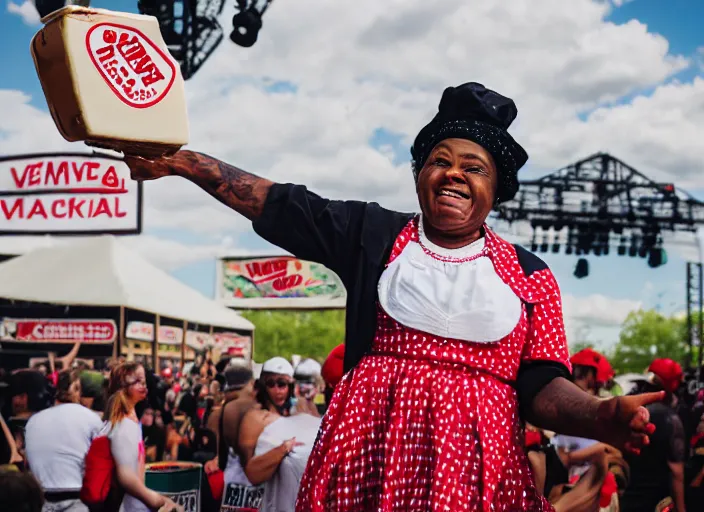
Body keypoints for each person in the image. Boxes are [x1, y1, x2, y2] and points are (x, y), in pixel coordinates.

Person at [127, 82, 662, 511]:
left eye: (473, 167)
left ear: (495, 189)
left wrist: (596, 413)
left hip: (477, 478)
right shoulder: (373, 234)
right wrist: (184, 162)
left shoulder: (530, 274)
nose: (453, 172)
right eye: (439, 160)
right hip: (367, 466)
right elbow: (281, 204)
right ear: (420, 175)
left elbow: (542, 385)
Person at [104, 362, 181, 512]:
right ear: (123, 387)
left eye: (144, 381)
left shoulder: (132, 421)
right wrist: (155, 500)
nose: (144, 385)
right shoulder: (123, 424)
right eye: (137, 381)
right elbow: (125, 475)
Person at [24, 370, 102, 512]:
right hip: (78, 498)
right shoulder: (91, 418)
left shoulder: (33, 421)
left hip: (42, 499)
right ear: (78, 390)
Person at [621, 358, 687, 512]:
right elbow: (676, 472)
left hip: (627, 499)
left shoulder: (631, 411)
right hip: (655, 502)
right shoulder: (671, 419)